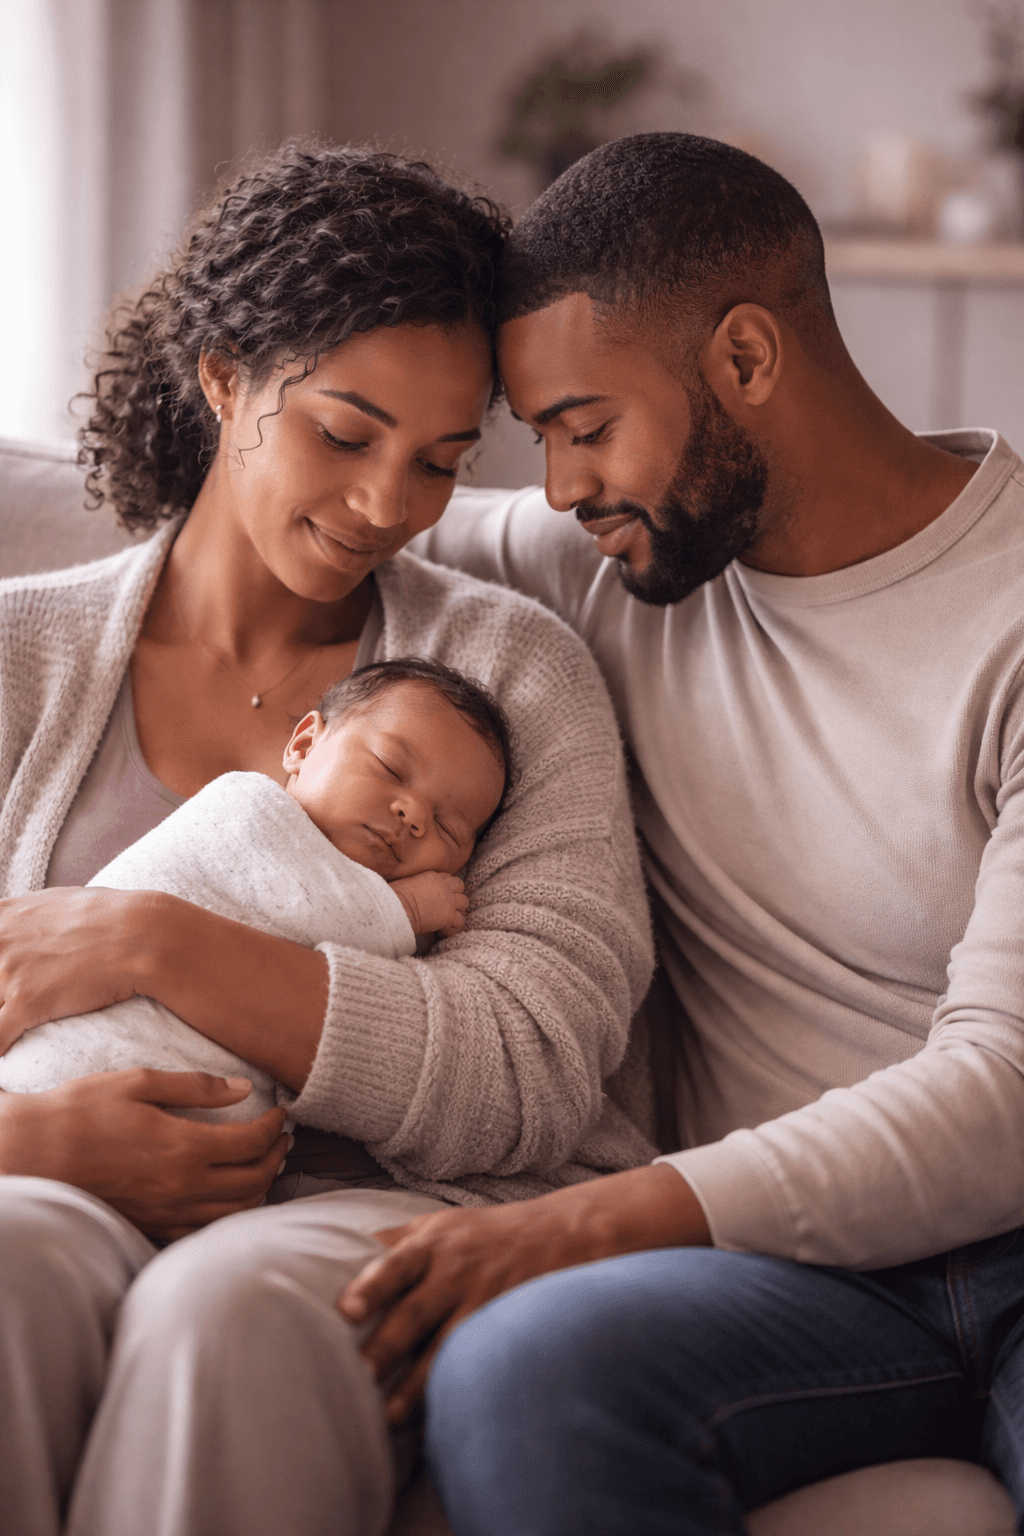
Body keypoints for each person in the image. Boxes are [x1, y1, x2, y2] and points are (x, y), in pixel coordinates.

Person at [338, 133, 1024, 1533]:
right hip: (792, 1273)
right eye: (539, 441)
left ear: (748, 362)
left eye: (586, 426)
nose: (558, 487)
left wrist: (589, 1221)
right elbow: (312, 516)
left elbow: (1005, 1097)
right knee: (526, 1368)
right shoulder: (616, 561)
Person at [0, 143, 655, 1536]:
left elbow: (531, 1065)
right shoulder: (17, 663)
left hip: (399, 1201)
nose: (386, 508)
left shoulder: (511, 673)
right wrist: (30, 1141)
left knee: (222, 1306)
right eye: (343, 435)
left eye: (438, 463)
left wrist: (157, 942)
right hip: (45, 1164)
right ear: (226, 378)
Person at [1, 658, 513, 1122]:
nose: (415, 814)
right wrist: (407, 908)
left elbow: (360, 997)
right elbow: (310, 906)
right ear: (304, 745)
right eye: (390, 768)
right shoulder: (248, 811)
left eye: (449, 829)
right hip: (77, 1058)